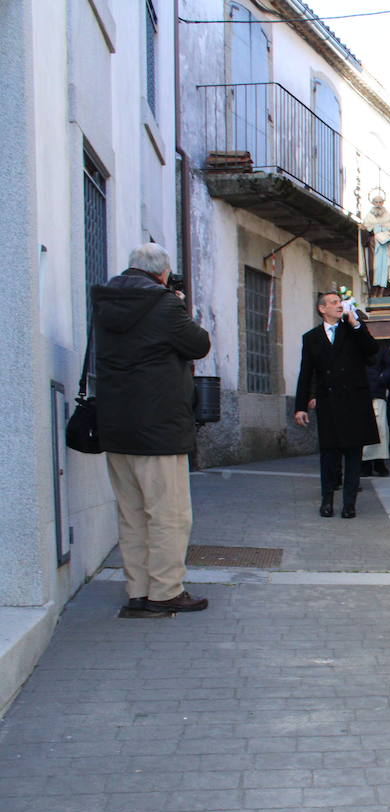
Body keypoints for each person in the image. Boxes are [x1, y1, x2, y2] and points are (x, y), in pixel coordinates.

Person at [92, 244, 212, 618]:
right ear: (162, 274)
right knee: (169, 515)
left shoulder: (106, 301)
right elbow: (199, 344)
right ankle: (165, 592)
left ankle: (138, 592)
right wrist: (175, 301)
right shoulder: (163, 305)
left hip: (117, 426)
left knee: (132, 515)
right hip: (158, 428)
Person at [293, 291, 379, 519]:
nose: (339, 305)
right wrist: (300, 406)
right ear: (322, 309)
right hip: (328, 403)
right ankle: (327, 500)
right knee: (329, 455)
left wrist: (357, 325)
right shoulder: (311, 338)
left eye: (340, 302)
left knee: (353, 455)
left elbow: (372, 352)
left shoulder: (353, 331)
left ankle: (349, 503)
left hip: (354, 401)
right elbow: (306, 373)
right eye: (333, 302)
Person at [361, 343, 390, 477]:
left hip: (376, 392)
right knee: (362, 430)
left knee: (380, 429)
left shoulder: (380, 346)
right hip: (359, 394)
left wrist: (381, 378)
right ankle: (364, 464)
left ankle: (379, 462)